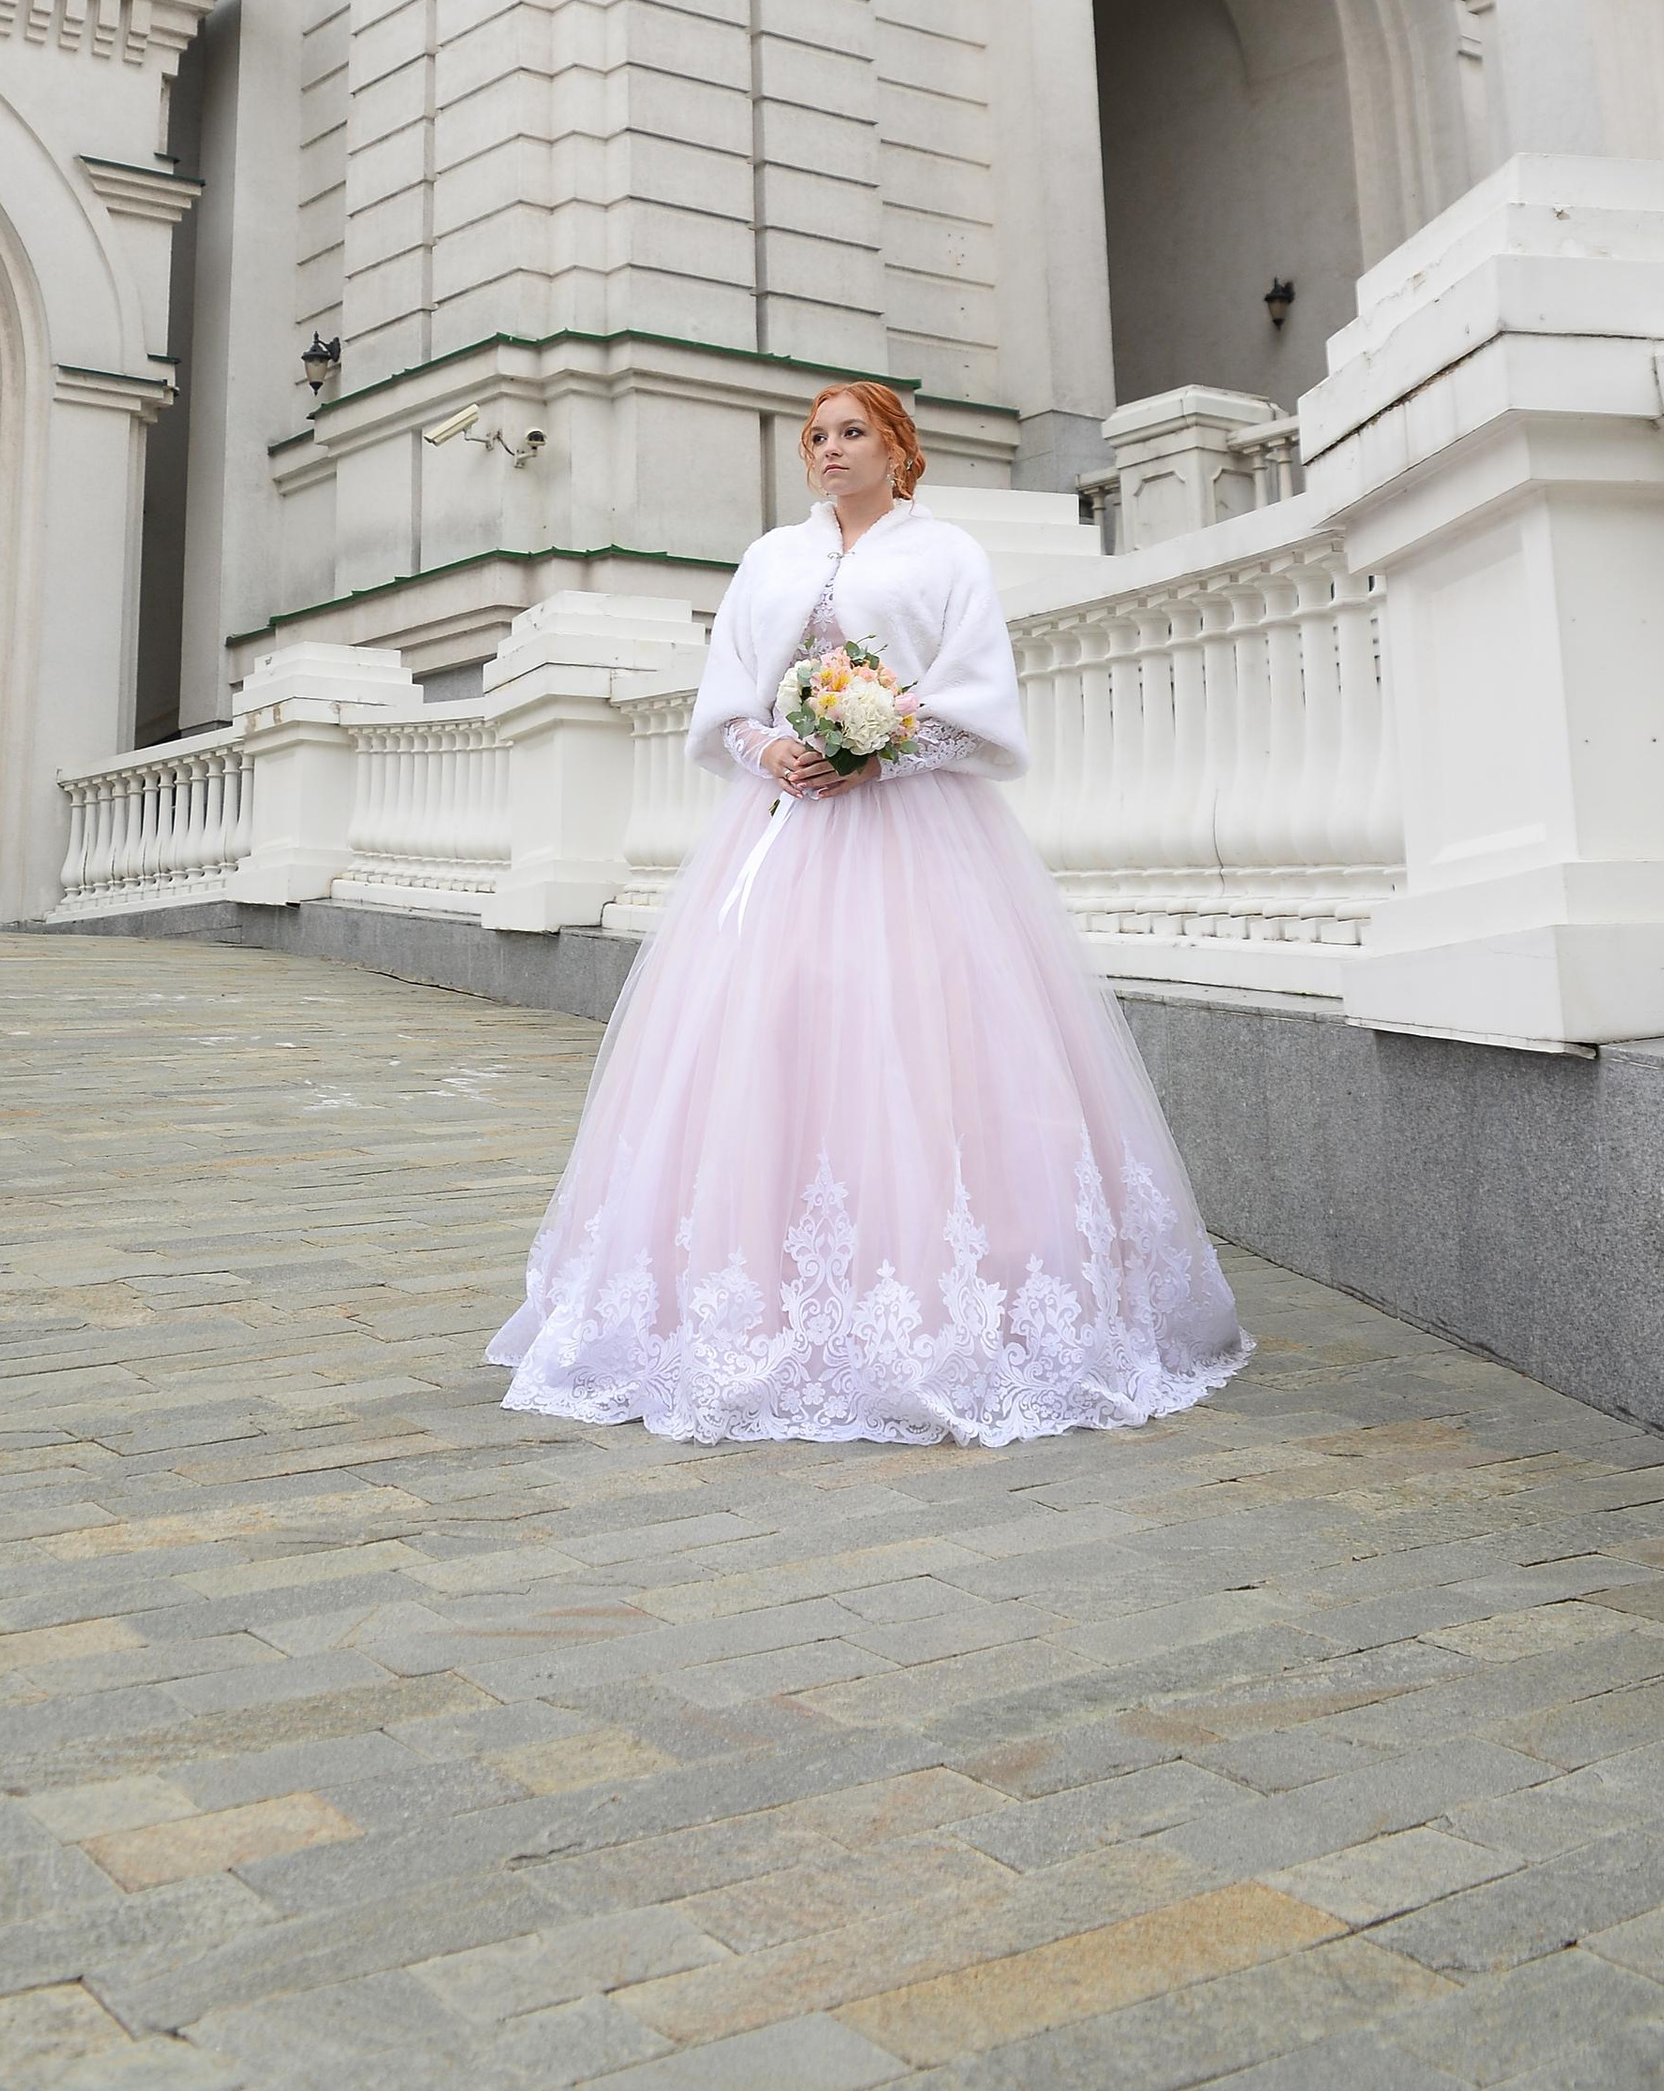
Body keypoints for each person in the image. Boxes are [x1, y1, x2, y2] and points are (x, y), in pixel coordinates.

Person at [488, 380, 1249, 1445]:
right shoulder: (771, 559)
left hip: (918, 842)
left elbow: (977, 699)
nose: (829, 449)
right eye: (815, 436)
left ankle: (951, 1304)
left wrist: (878, 744)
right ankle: (749, 1296)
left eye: (852, 432)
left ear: (900, 448)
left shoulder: (947, 558)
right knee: (772, 1041)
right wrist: (776, 748)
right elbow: (725, 705)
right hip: (783, 834)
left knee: (923, 1043)